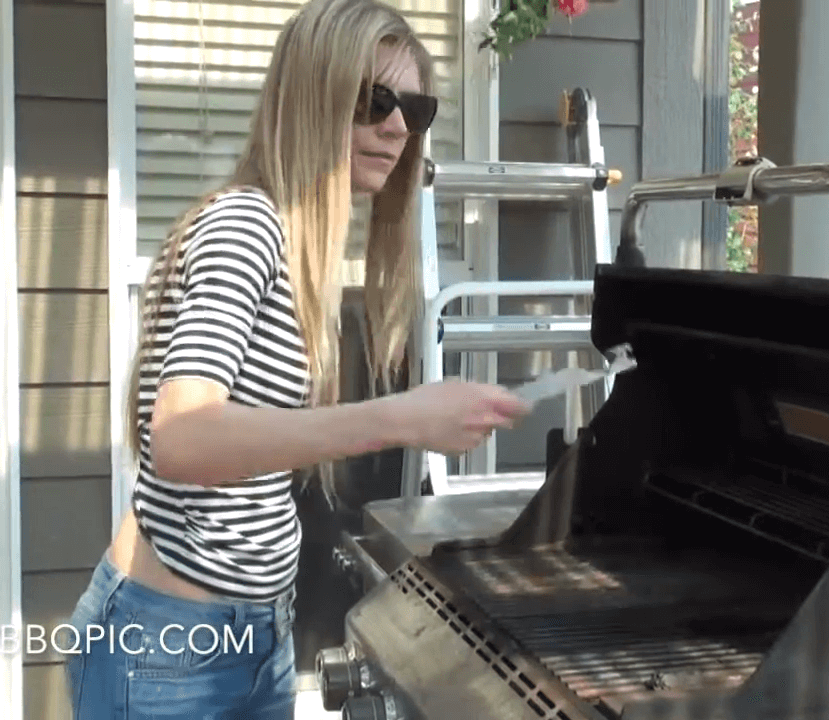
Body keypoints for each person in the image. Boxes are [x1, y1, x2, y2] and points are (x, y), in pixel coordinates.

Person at [61, 1, 532, 717]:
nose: (398, 127)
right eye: (375, 101)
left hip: (254, 633)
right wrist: (401, 418)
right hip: (168, 648)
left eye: (415, 109)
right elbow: (184, 439)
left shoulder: (297, 243)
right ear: (311, 96)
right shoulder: (244, 225)